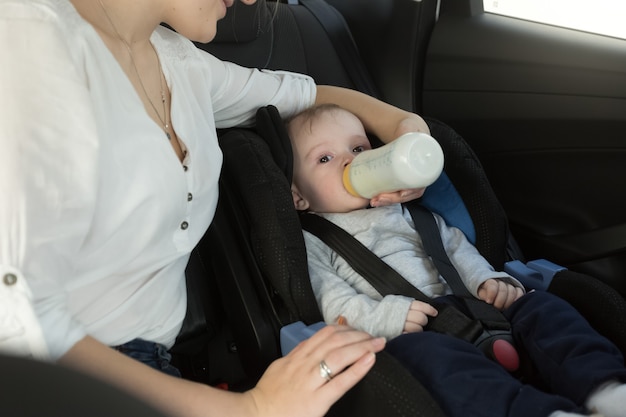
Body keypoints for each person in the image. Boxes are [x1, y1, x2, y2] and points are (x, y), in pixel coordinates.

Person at [0, 1, 433, 416]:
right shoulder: (31, 45)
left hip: (161, 363)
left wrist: (407, 133)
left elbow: (308, 95)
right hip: (60, 383)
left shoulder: (181, 63)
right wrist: (254, 409)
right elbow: (18, 321)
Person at [286, 103, 626, 417]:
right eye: (325, 159)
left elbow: (456, 249)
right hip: (414, 333)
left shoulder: (410, 211)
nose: (350, 161)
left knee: (545, 310)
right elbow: (332, 302)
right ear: (298, 196)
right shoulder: (314, 240)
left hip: (479, 307)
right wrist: (388, 316)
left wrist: (487, 280)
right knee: (429, 363)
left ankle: (605, 389)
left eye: (359, 149)